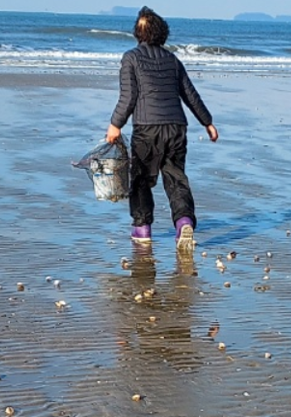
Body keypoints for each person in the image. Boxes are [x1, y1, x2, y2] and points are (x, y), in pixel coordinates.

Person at [106, 6, 218, 251]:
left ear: (137, 33)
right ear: (162, 34)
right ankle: (184, 221)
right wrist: (207, 122)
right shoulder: (173, 60)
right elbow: (190, 94)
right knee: (176, 177)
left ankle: (143, 229)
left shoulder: (131, 58)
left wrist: (115, 124)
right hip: (177, 127)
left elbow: (129, 97)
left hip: (147, 128)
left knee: (141, 179)